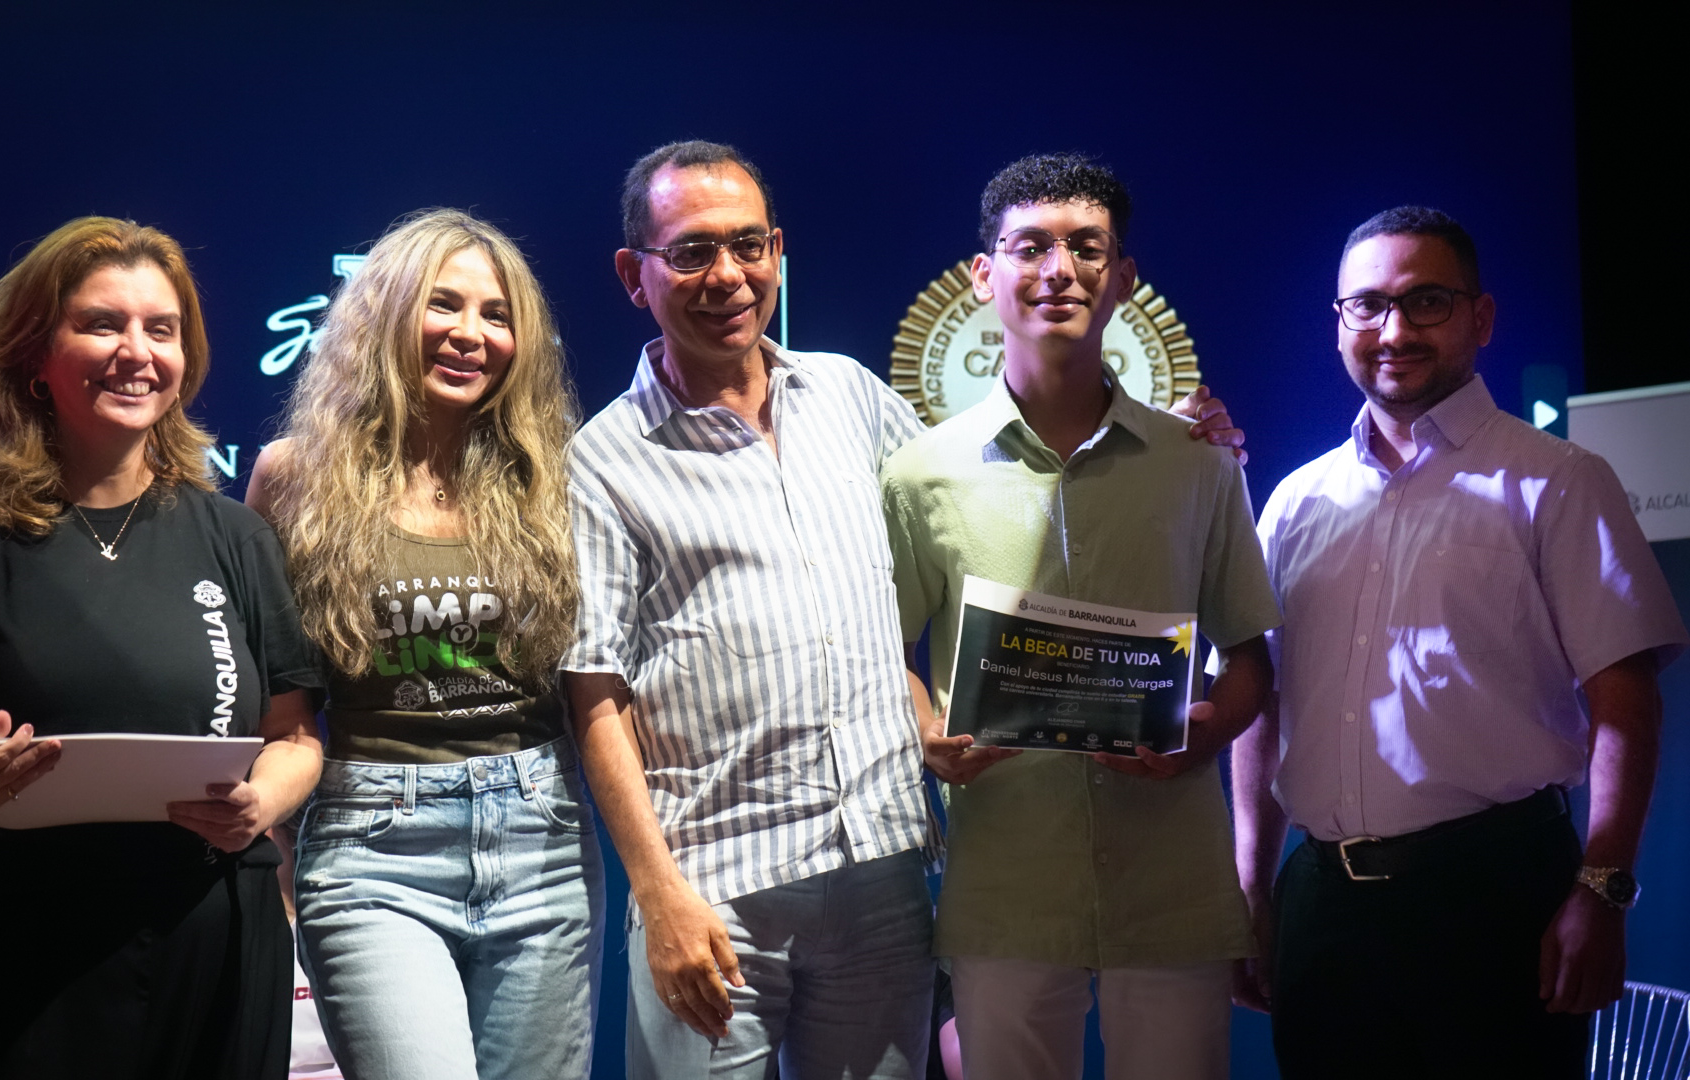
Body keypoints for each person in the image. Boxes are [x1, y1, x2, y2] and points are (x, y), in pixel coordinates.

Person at [564, 139, 1248, 1079]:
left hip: (881, 872)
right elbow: (593, 690)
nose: (726, 274)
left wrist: (1190, 434)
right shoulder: (604, 460)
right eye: (690, 251)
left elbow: (994, 481)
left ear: (776, 253)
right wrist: (656, 892)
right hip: (717, 883)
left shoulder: (849, 397)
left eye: (748, 244)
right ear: (632, 274)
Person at [0, 216, 326, 1080]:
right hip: (0, 945)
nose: (136, 352)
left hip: (207, 939)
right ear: (36, 354)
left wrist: (260, 803)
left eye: (161, 329)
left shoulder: (235, 536)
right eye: (102, 324)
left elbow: (294, 735)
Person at [1231, 206, 1689, 1078]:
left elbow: (1626, 701)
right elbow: (1262, 703)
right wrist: (1249, 885)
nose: (1393, 330)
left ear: (1479, 318)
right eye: (1366, 305)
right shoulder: (1294, 502)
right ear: (1337, 325)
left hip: (1496, 897)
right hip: (1322, 905)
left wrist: (1601, 890)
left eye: (1426, 301)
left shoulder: (1558, 481)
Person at [880, 153, 1279, 1080]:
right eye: (1030, 247)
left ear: (1123, 277)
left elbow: (1249, 658)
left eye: (1086, 248)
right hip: (1005, 879)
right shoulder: (919, 474)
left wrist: (1206, 729)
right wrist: (925, 731)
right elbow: (886, 650)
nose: (1058, 269)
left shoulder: (1198, 462)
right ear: (983, 276)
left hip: (1171, 879)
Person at [246, 208, 603, 1080]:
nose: (470, 334)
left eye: (496, 315)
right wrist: (278, 868)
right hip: (371, 846)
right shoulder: (293, 477)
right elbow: (274, 708)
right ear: (384, 314)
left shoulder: (557, 475)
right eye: (443, 304)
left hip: (543, 840)